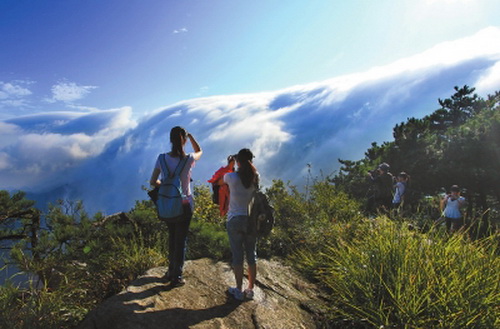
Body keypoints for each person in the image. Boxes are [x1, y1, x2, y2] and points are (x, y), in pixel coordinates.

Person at [149, 126, 202, 286]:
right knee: (181, 240)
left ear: (170, 140)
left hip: (167, 204)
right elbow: (200, 151)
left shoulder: (161, 158)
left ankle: (170, 271)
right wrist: (191, 138)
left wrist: (165, 185)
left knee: (172, 237)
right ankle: (176, 276)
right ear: (184, 140)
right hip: (185, 204)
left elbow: (153, 182)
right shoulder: (189, 159)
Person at [217, 148, 259, 301]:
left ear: (238, 162)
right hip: (251, 221)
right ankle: (250, 289)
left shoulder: (231, 177)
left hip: (235, 220)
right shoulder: (256, 177)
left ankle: (239, 290)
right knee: (251, 255)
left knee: (237, 256)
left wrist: (229, 166)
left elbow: (218, 181)